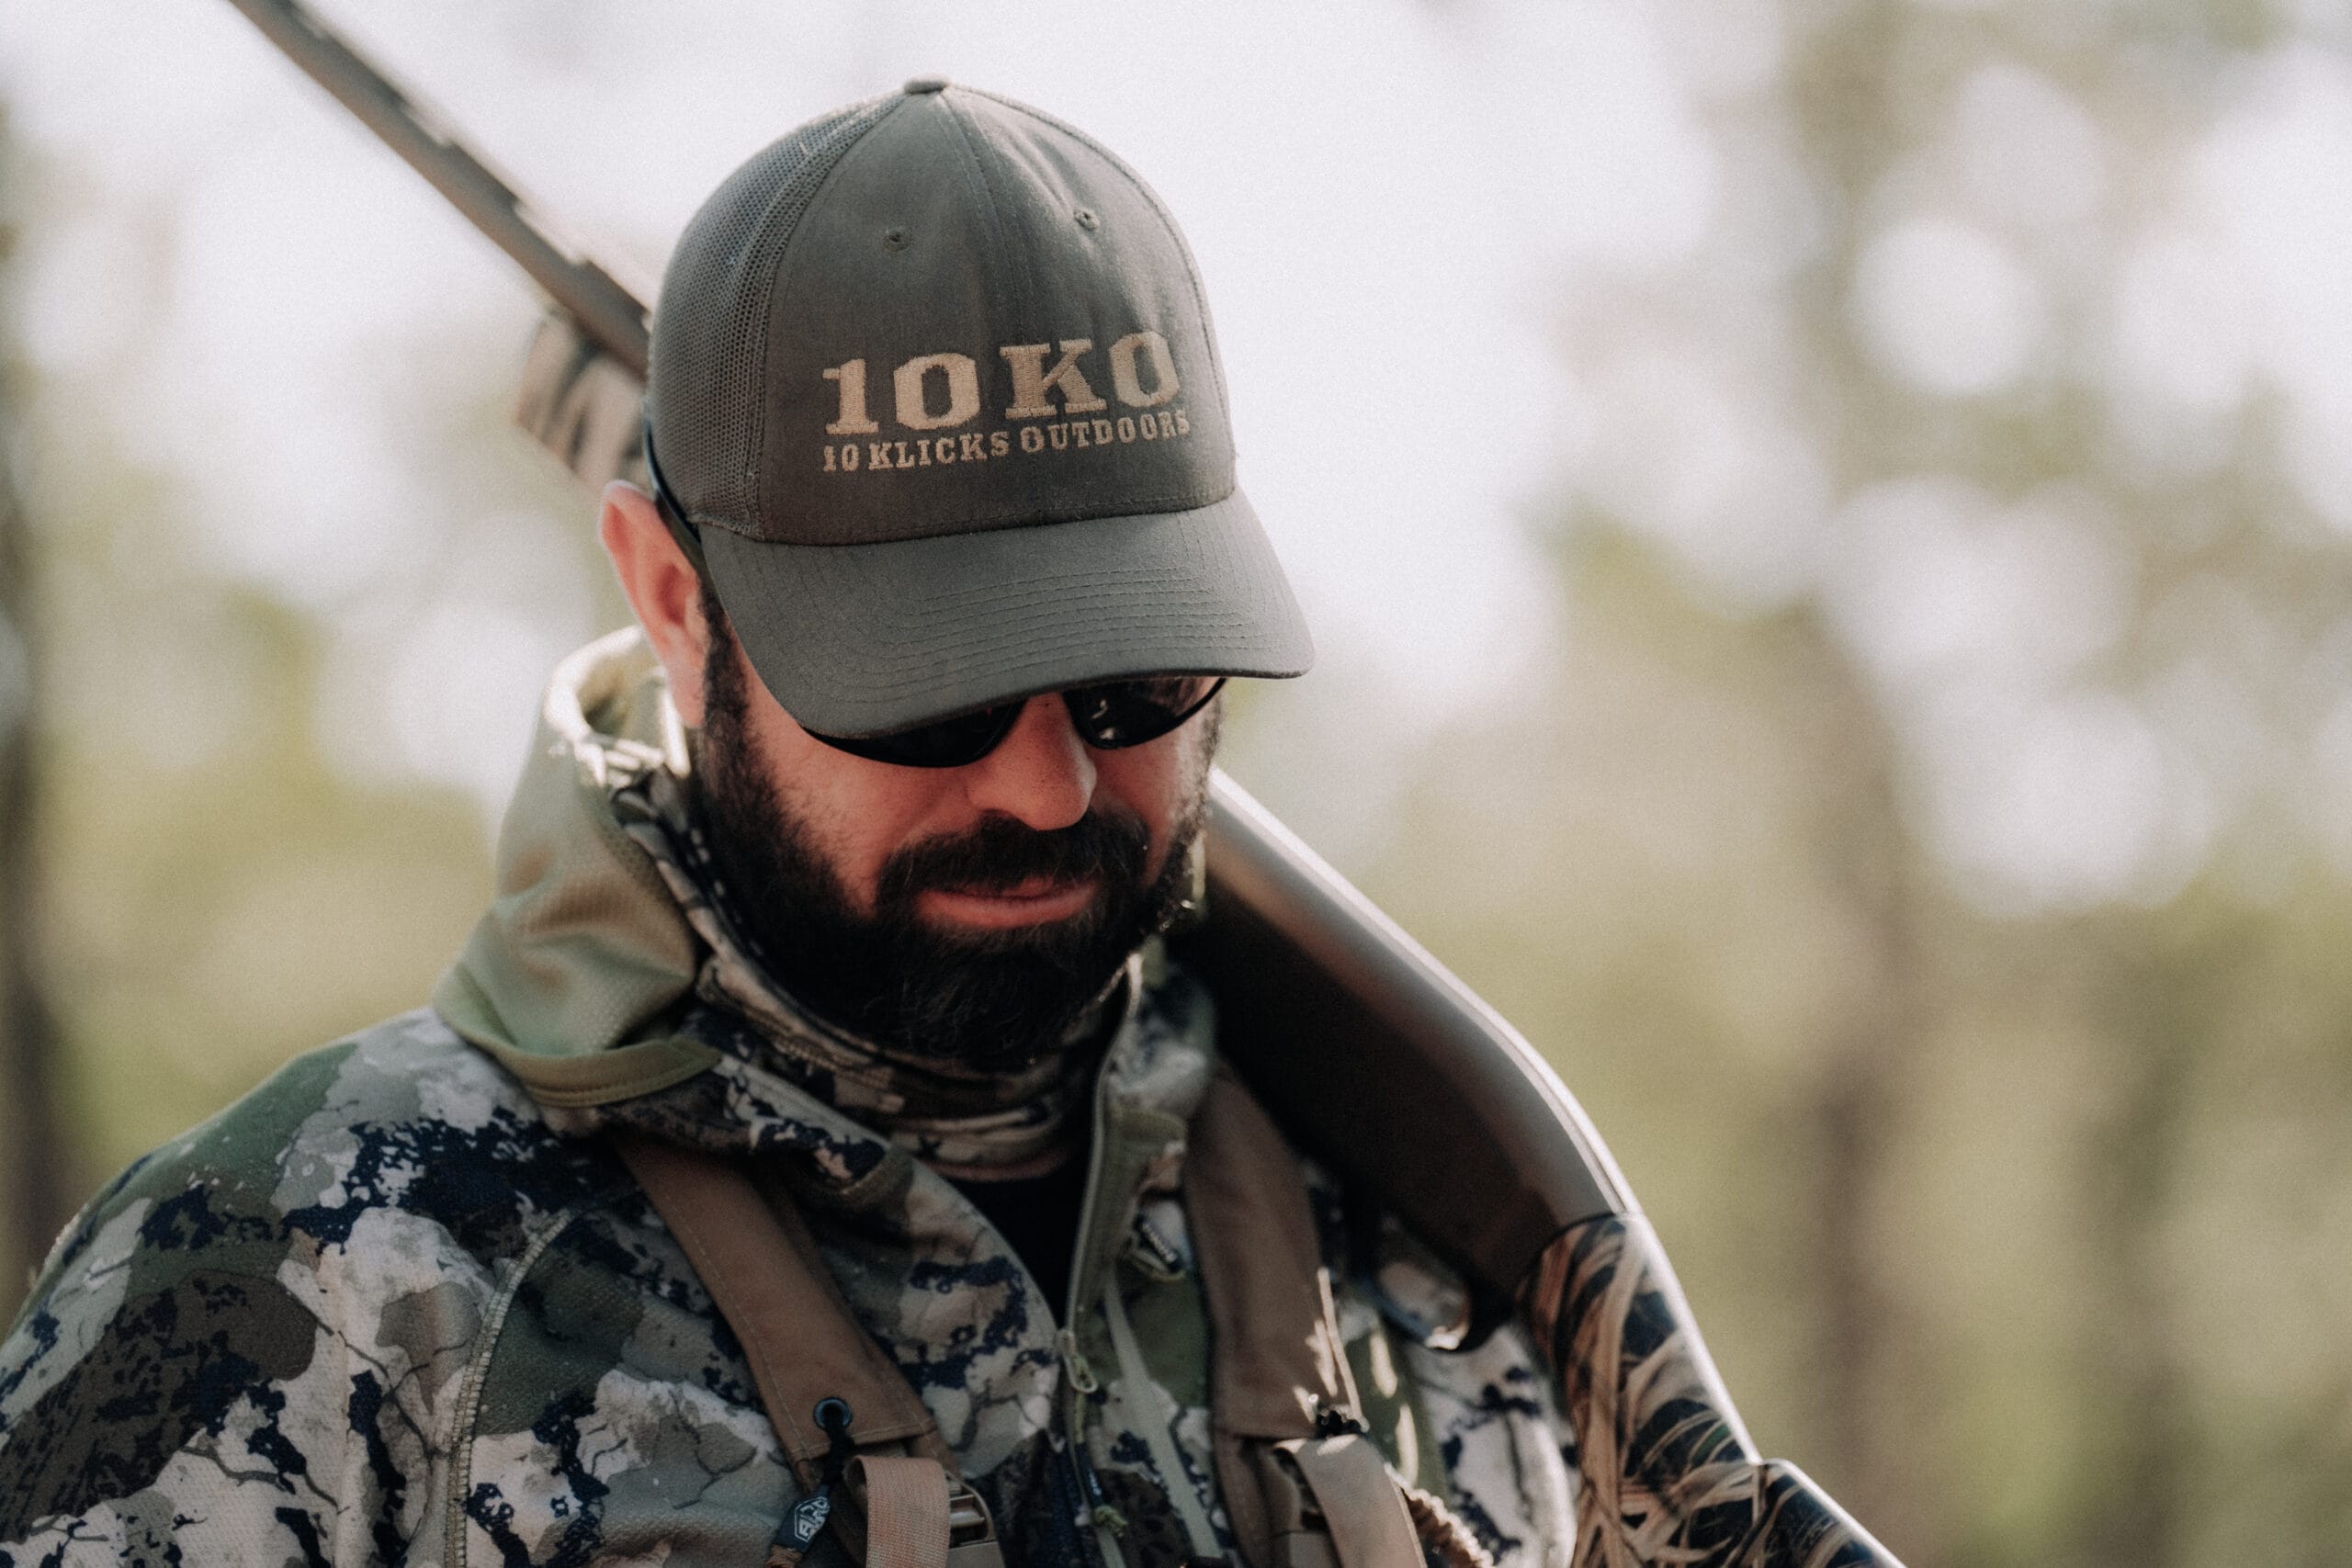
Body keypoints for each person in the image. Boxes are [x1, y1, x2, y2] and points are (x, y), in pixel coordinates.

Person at [0, 83, 1580, 1565]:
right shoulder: (314, 1269)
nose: (1047, 789)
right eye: (932, 691)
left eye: (1135, 682)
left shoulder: (1431, 1260)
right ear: (675, 602)